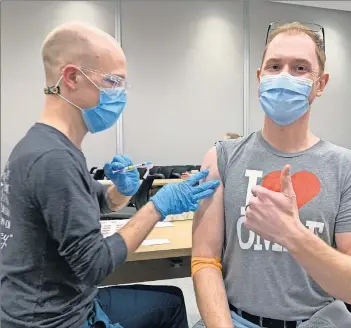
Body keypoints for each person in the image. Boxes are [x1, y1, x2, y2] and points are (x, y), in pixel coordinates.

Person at [0, 22, 220, 328]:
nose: (120, 94)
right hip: (53, 320)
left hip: (52, 302)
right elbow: (95, 264)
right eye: (113, 81)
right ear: (72, 77)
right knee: (168, 308)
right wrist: (157, 207)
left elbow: (98, 203)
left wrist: (121, 191)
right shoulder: (53, 158)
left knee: (170, 300)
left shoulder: (44, 145)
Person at [191, 22, 351, 328]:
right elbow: (204, 261)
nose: (284, 77)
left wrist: (293, 235)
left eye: (300, 68)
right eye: (275, 66)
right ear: (259, 77)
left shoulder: (349, 168)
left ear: (321, 84)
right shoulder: (221, 158)